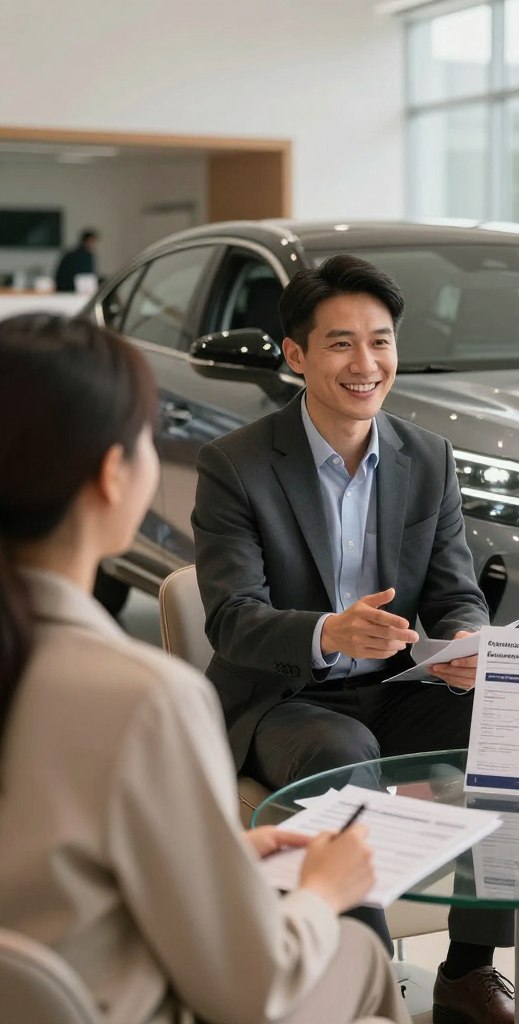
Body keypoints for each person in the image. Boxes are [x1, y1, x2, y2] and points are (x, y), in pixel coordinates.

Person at [0, 313, 409, 1024]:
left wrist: (215, 856)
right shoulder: (144, 699)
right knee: (358, 954)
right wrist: (323, 891)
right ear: (111, 474)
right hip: (125, 1003)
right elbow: (253, 990)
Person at [192, 254, 515, 1024]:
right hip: (287, 698)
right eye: (340, 344)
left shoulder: (426, 457)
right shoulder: (236, 465)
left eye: (381, 341)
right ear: (296, 355)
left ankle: (469, 970)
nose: (365, 364)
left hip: (400, 686)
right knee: (343, 755)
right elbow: (231, 617)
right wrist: (329, 631)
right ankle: (367, 988)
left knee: (505, 725)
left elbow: (456, 592)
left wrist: (468, 642)